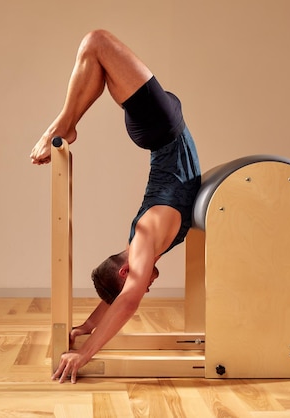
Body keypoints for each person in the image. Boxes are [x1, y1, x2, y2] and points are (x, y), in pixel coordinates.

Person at [30, 30, 201, 384]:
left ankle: (63, 126)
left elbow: (127, 300)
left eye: (136, 282)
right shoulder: (143, 243)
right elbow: (117, 296)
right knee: (100, 65)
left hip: (163, 130)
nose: (146, 286)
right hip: (160, 129)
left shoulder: (143, 239)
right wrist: (87, 327)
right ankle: (68, 123)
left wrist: (85, 352)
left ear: (125, 272)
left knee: (96, 43)